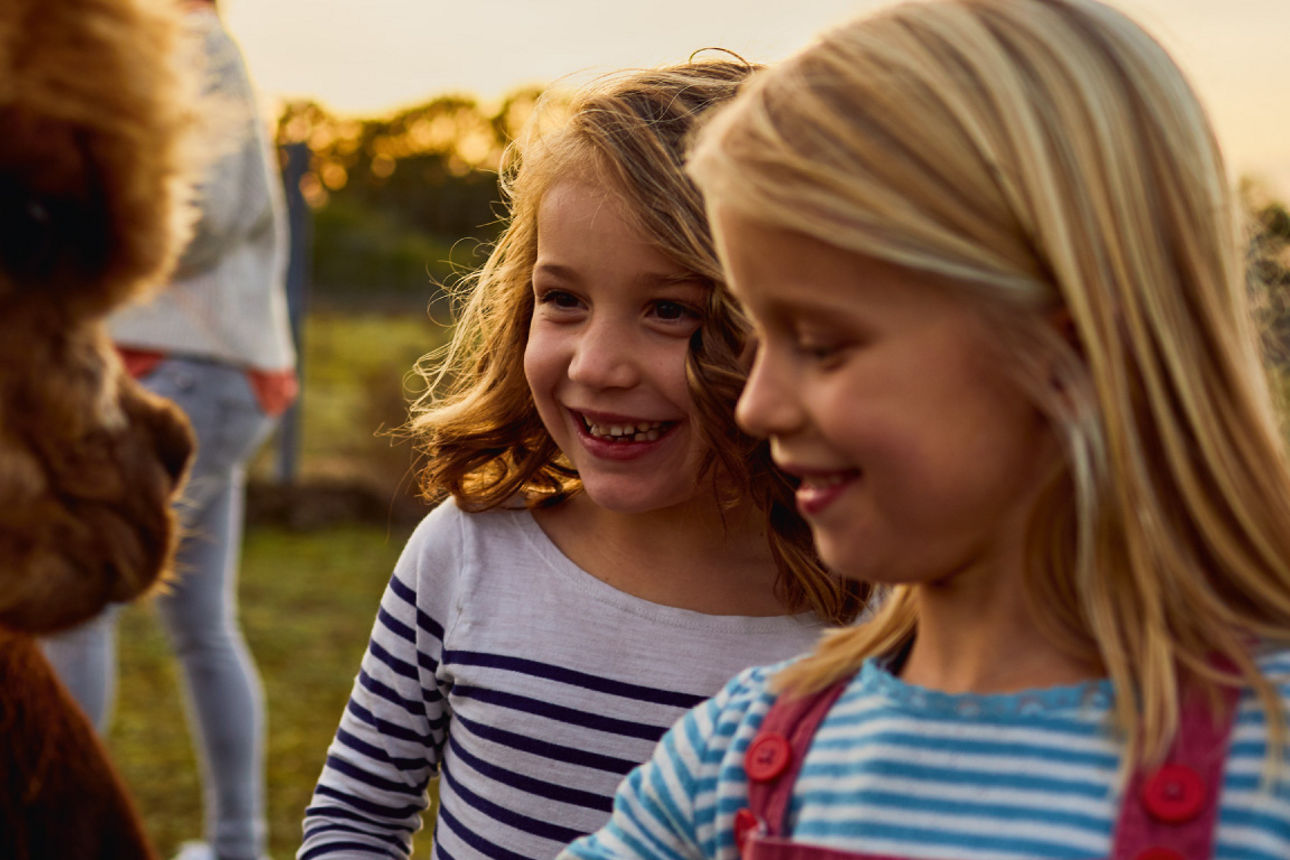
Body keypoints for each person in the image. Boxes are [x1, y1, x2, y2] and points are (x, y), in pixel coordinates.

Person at [560, 1, 1290, 859]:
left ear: (1071, 351)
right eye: (758, 339)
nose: (757, 407)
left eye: (823, 346)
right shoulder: (733, 765)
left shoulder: (1265, 769)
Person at [297, 59, 865, 860]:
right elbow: (353, 819)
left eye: (670, 311)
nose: (596, 365)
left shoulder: (874, 616)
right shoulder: (465, 553)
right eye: (563, 300)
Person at [42, 1, 296, 859]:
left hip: (187, 373)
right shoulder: (196, 42)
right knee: (201, 625)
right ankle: (237, 845)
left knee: (79, 611)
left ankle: (68, 842)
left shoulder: (187, 43)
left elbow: (208, 210)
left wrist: (81, 229)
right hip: (211, 370)